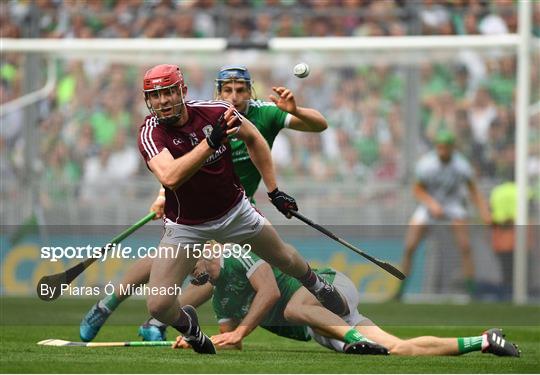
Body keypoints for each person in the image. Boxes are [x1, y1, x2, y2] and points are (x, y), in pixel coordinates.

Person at [79, 64, 341, 353]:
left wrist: (274, 191)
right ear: (147, 100)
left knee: (281, 258)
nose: (163, 101)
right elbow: (170, 176)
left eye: (168, 92)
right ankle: (187, 327)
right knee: (158, 303)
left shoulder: (223, 112)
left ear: (183, 92)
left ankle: (316, 284)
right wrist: (210, 143)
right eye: (155, 96)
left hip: (236, 211)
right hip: (187, 225)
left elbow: (256, 138)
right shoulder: (150, 132)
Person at [171, 252, 520, 357]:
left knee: (293, 309)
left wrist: (240, 329)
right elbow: (231, 339)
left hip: (329, 289)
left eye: (191, 269)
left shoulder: (237, 256)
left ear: (203, 254)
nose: (190, 276)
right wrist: (197, 339)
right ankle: (484, 340)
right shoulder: (221, 300)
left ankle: (353, 339)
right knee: (397, 349)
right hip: (322, 321)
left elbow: (271, 295)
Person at [395, 130, 492, 300]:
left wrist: (484, 212)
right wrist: (432, 204)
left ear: (452, 148)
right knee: (410, 246)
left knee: (465, 246)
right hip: (429, 205)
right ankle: (400, 291)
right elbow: (417, 190)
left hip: (453, 205)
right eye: (439, 147)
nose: (442, 151)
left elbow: (473, 190)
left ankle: (471, 293)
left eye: (445, 148)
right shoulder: (427, 164)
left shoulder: (462, 166)